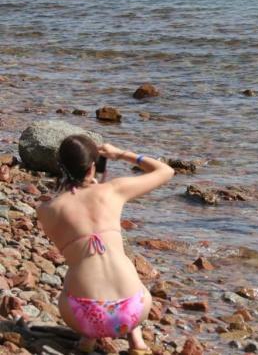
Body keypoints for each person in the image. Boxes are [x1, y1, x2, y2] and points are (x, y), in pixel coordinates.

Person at [37, 135, 174, 354]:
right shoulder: (112, 190)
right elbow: (166, 171)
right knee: (122, 263)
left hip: (83, 317)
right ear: (92, 167)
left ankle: (88, 339)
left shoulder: (47, 211)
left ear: (61, 167)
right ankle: (137, 342)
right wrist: (121, 154)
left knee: (78, 271)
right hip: (133, 311)